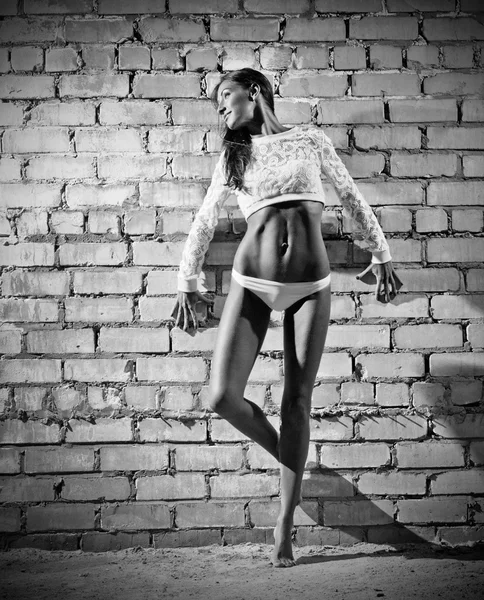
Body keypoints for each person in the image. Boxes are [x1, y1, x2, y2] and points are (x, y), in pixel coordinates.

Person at [172, 68, 401, 567]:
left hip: (311, 285)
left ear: (254, 91)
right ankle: (291, 458)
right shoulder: (234, 155)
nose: (221, 109)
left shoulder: (310, 140)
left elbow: (349, 196)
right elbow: (206, 217)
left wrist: (380, 253)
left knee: (297, 401)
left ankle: (284, 525)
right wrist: (187, 282)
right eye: (217, 105)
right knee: (220, 397)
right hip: (251, 282)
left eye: (225, 97)